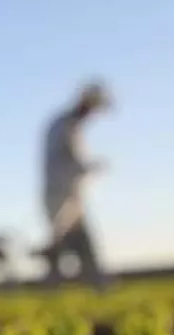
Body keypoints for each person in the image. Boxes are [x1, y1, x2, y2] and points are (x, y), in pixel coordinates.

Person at [37, 81, 112, 291]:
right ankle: (86, 284)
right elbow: (68, 160)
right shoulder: (64, 126)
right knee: (65, 243)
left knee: (77, 242)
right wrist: (91, 167)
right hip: (59, 195)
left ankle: (95, 283)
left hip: (69, 194)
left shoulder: (68, 125)